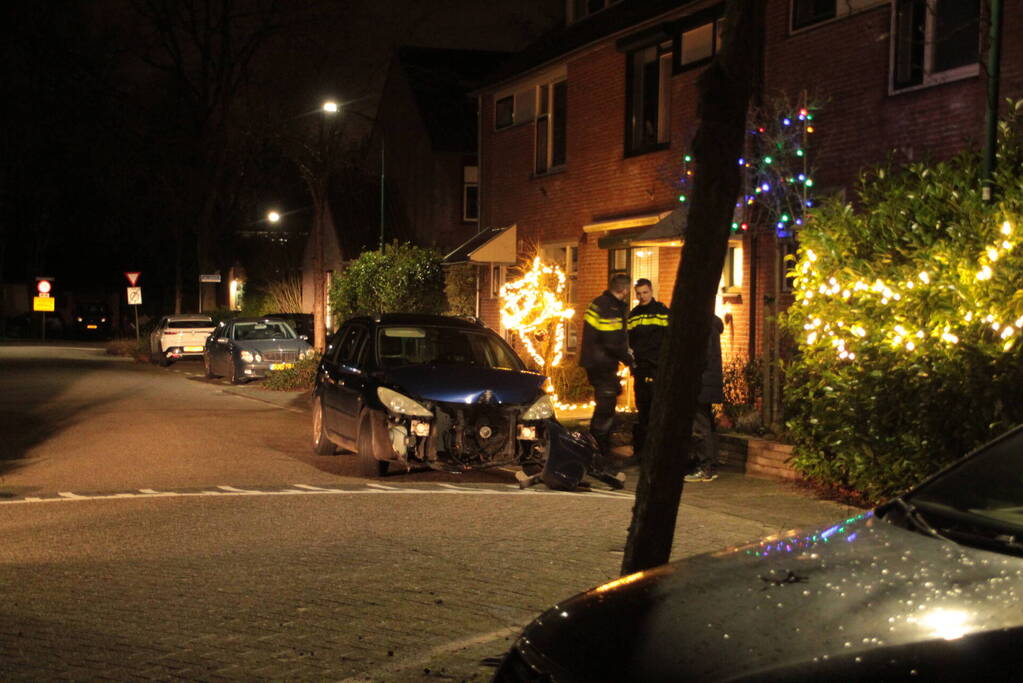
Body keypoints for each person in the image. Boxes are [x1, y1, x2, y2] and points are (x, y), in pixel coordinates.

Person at [579, 273, 634, 488]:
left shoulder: (598, 303)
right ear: (623, 290)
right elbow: (612, 341)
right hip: (603, 365)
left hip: (596, 364)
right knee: (605, 410)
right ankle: (598, 458)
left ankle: (596, 453)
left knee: (605, 406)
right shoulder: (610, 308)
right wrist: (628, 359)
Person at [626, 278, 670, 458]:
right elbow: (628, 341)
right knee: (643, 409)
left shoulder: (662, 312)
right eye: (639, 293)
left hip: (658, 368)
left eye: (645, 292)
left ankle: (657, 451)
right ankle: (643, 451)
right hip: (641, 369)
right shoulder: (633, 315)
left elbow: (670, 338)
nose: (642, 296)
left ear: (652, 292)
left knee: (657, 409)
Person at [686, 314, 725, 482]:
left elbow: (701, 357)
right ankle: (709, 464)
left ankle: (706, 466)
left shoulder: (704, 326)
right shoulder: (712, 325)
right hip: (707, 381)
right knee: (706, 423)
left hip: (701, 382)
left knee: (700, 426)